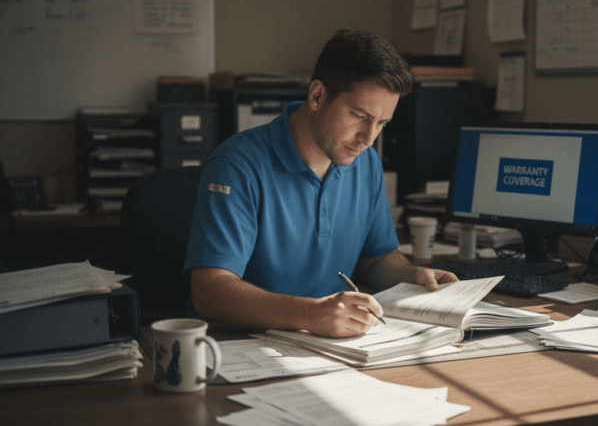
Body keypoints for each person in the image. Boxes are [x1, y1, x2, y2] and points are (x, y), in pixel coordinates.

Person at [184, 30, 458, 338]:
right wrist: (312, 314)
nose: (368, 139)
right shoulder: (237, 165)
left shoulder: (365, 163)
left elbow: (377, 259)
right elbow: (209, 292)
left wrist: (413, 275)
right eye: (358, 116)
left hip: (331, 342)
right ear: (317, 96)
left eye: (381, 123)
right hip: (247, 344)